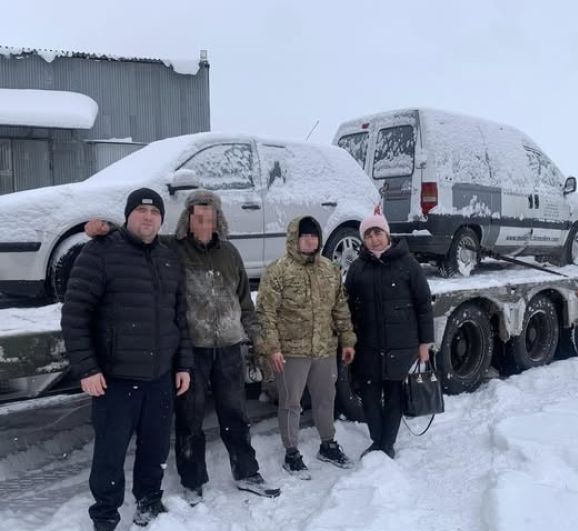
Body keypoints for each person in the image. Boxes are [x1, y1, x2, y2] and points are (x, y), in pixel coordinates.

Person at [84, 189, 279, 506]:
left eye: (210, 217)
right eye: (197, 217)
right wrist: (102, 227)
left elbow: (245, 303)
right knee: (189, 420)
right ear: (187, 221)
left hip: (229, 348)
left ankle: (247, 472)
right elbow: (139, 234)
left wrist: (259, 341)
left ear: (219, 221)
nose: (204, 223)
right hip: (193, 351)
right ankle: (193, 482)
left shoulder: (230, 254)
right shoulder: (172, 250)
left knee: (235, 414)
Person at [61, 187, 193, 531]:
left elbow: (179, 318)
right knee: (110, 455)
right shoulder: (100, 252)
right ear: (128, 215)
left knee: (154, 449)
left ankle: (149, 503)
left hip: (160, 377)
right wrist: (86, 368)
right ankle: (104, 521)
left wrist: (182, 364)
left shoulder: (169, 259)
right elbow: (75, 315)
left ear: (162, 220)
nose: (147, 218)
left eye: (154, 213)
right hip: (115, 379)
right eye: (140, 211)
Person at [255, 216, 357, 479]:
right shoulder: (278, 271)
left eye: (314, 236)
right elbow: (266, 313)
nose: (310, 240)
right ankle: (291, 452)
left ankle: (328, 444)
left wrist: (347, 339)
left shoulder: (329, 269)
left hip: (323, 349)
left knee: (326, 399)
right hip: (291, 352)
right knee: (291, 403)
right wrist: (273, 348)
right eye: (305, 236)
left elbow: (340, 308)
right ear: (294, 238)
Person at [344, 212, 434, 459]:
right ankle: (378, 440)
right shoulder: (357, 268)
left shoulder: (408, 264)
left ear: (387, 234)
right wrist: (347, 340)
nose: (374, 240)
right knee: (369, 398)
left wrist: (425, 343)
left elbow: (423, 304)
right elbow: (347, 307)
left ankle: (387, 444)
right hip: (368, 348)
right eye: (368, 235)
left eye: (377, 233)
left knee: (394, 397)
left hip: (401, 346)